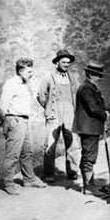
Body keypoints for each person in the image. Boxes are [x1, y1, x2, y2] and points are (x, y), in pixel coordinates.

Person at [0, 57, 46, 195]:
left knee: (27, 152)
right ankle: (8, 183)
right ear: (20, 71)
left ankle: (29, 179)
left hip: (24, 121)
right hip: (15, 121)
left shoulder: (25, 84)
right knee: (12, 155)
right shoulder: (11, 84)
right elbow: (1, 107)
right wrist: (7, 122)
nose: (32, 74)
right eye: (29, 71)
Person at [37, 48, 81, 182]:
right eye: (64, 62)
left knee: (72, 143)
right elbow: (41, 95)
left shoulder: (73, 77)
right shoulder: (48, 77)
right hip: (54, 113)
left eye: (68, 62)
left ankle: (73, 171)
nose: (66, 65)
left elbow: (77, 94)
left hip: (70, 113)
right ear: (57, 62)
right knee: (50, 143)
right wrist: (49, 108)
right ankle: (49, 173)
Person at [72, 60, 108, 195]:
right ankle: (89, 187)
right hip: (89, 127)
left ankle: (89, 185)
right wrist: (104, 115)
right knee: (89, 157)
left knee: (88, 155)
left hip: (90, 127)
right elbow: (93, 108)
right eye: (98, 75)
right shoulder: (87, 88)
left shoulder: (89, 87)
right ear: (91, 74)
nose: (100, 78)